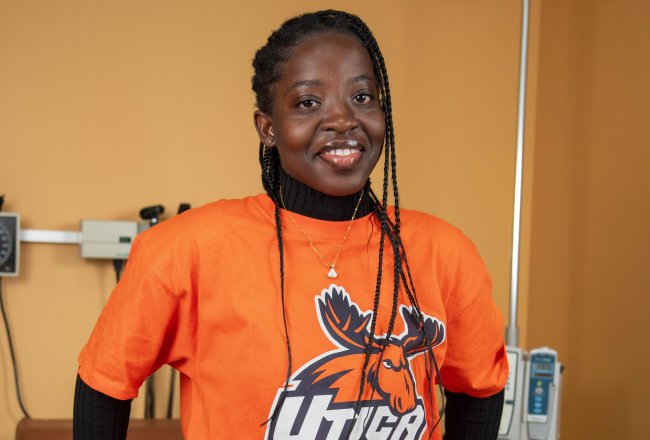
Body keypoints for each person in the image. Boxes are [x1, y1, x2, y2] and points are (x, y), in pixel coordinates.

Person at [74, 9, 508, 440]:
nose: (343, 120)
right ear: (268, 128)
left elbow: (479, 389)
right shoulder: (185, 249)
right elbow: (104, 384)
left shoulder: (445, 253)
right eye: (308, 102)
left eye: (362, 98)